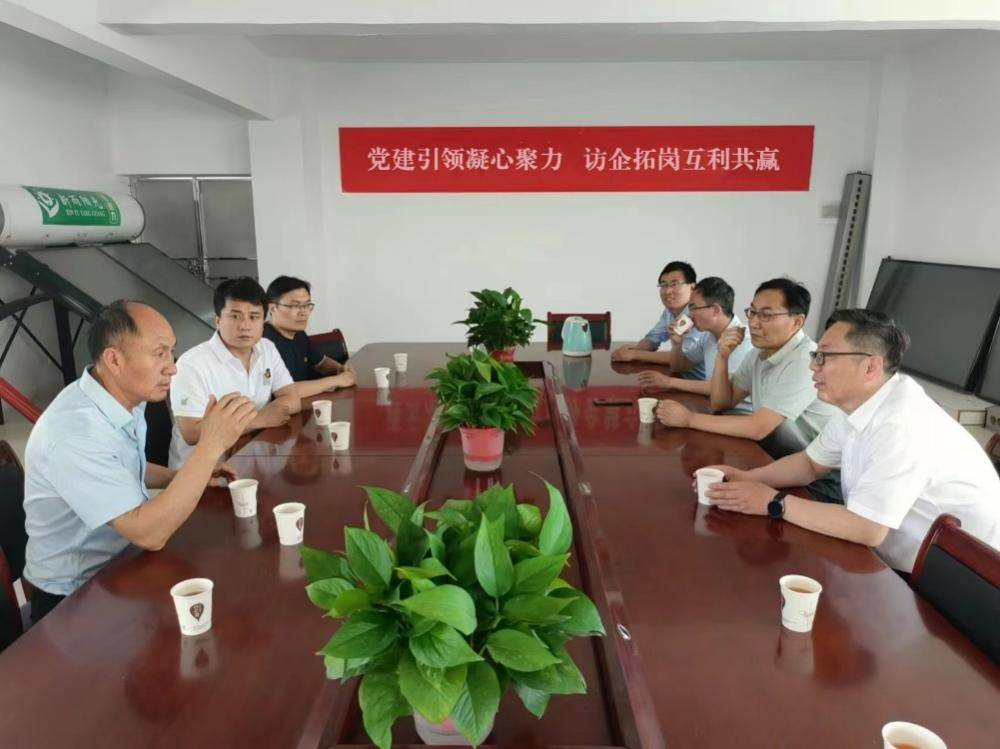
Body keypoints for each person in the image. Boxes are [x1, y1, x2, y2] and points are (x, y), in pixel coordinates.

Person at [704, 309, 1000, 573]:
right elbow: (810, 464)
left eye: (824, 356)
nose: (813, 366)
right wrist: (747, 478)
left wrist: (773, 502)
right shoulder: (860, 404)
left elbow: (867, 527)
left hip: (959, 581)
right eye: (815, 355)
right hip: (890, 559)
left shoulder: (902, 422)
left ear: (870, 367)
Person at [22, 301, 255, 622]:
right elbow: (150, 534)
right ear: (114, 360)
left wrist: (181, 476)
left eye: (172, 352)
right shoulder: (74, 432)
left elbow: (125, 467)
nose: (172, 367)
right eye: (159, 353)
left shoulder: (121, 398)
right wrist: (210, 446)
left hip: (123, 562)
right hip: (74, 596)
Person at [655, 277, 841, 501]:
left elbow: (758, 427)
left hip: (818, 479)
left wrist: (689, 419)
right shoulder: (758, 354)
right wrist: (723, 356)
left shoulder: (804, 361)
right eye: (752, 312)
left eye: (766, 315)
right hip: (775, 460)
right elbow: (722, 402)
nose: (753, 322)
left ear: (797, 322)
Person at [169, 277, 302, 468]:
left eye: (254, 317)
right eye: (236, 316)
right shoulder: (191, 364)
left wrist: (258, 421)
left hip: (256, 457)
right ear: (218, 320)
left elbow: (292, 398)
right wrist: (258, 420)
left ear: (263, 321)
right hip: (205, 472)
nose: (245, 325)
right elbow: (191, 432)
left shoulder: (267, 348)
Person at [637, 276, 753, 413]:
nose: (689, 315)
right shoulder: (709, 336)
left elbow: (720, 390)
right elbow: (680, 366)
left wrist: (668, 382)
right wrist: (677, 343)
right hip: (713, 408)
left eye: (693, 308)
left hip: (738, 415)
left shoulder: (742, 340)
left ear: (715, 310)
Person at [263, 275, 357, 399]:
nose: (303, 312)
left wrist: (340, 368)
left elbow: (321, 363)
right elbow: (285, 391)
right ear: (272, 308)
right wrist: (337, 380)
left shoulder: (299, 334)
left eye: (307, 305)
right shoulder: (264, 343)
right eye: (295, 306)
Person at [611, 261, 710, 373]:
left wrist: (634, 354)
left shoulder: (698, 314)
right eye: (663, 285)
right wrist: (633, 349)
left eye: (674, 284)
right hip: (678, 375)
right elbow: (653, 339)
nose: (667, 291)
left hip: (699, 381)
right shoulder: (669, 312)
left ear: (692, 287)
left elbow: (684, 358)